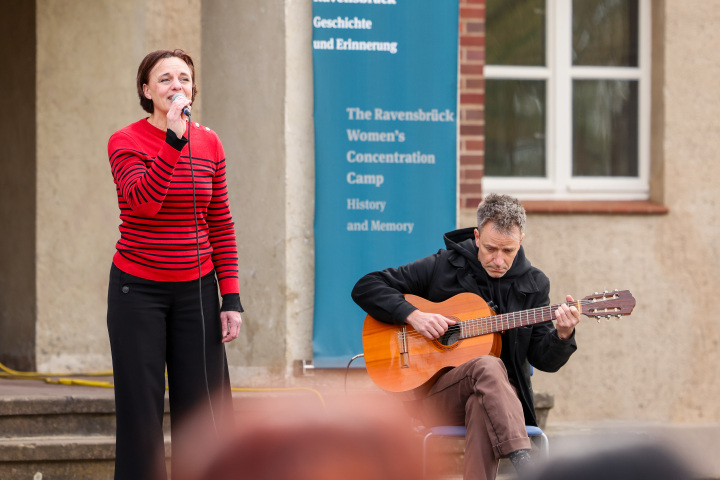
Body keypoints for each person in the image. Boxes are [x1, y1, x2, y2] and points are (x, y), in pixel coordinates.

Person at [351, 193, 581, 480]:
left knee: (482, 400)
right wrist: (414, 315)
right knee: (487, 365)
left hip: (499, 406)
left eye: (508, 251)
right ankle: (526, 464)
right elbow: (366, 286)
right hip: (435, 400)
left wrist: (562, 334)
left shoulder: (534, 284)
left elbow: (543, 359)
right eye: (490, 249)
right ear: (476, 236)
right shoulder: (443, 267)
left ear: (521, 241)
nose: (499, 260)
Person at [106, 49, 243, 480]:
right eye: (164, 79)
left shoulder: (211, 142)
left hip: (198, 291)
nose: (176, 86)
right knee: (141, 417)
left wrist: (231, 297)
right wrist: (173, 141)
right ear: (146, 91)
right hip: (137, 291)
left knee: (204, 413)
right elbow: (144, 203)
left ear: (193, 89)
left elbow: (219, 221)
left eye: (184, 78)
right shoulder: (124, 141)